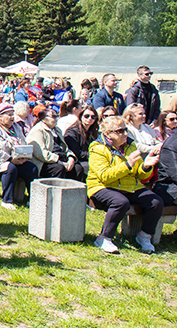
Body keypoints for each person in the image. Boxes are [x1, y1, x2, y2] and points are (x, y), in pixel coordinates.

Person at [87, 115, 161, 254]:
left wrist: (145, 167)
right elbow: (105, 176)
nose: (125, 134)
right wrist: (128, 164)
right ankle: (104, 238)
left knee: (156, 202)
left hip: (130, 186)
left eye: (125, 130)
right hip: (102, 186)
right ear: (108, 133)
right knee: (120, 202)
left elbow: (140, 175)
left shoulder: (130, 145)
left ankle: (144, 236)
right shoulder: (98, 148)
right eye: (119, 131)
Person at [0, 102, 37, 210]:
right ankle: (6, 200)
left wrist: (23, 156)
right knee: (10, 168)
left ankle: (32, 199)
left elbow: (22, 141)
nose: (12, 117)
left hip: (16, 159)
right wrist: (10, 159)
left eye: (12, 114)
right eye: (9, 115)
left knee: (31, 168)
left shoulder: (15, 127)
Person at [26, 108, 80, 180]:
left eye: (57, 116)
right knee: (59, 168)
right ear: (44, 119)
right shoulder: (38, 130)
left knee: (78, 168)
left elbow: (65, 148)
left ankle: (73, 191)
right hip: (44, 162)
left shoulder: (57, 130)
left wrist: (71, 158)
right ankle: (56, 190)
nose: (56, 118)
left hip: (60, 158)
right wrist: (59, 161)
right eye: (53, 116)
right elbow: (41, 153)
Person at [63, 105, 99, 181]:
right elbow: (77, 152)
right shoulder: (72, 131)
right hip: (78, 159)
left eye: (93, 117)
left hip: (90, 157)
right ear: (81, 116)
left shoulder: (93, 132)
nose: (90, 119)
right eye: (87, 116)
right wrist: (92, 155)